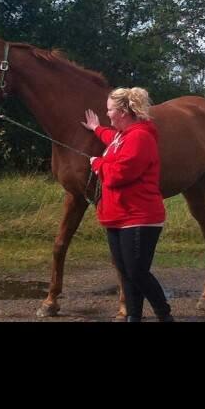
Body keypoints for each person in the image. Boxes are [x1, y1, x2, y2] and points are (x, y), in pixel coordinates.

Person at [81, 87, 175, 323]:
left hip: (139, 217)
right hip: (117, 216)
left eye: (110, 110)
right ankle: (134, 316)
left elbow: (119, 175)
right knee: (126, 272)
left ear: (123, 111)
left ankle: (165, 315)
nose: (107, 114)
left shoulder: (140, 137)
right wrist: (95, 129)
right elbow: (110, 138)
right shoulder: (123, 135)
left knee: (137, 272)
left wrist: (97, 163)